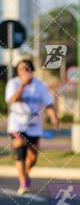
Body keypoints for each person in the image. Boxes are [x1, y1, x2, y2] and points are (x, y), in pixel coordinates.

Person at [6, 57, 58, 194]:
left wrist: (53, 116)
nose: (24, 71)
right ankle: (23, 183)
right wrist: (23, 85)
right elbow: (12, 99)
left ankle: (26, 173)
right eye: (20, 69)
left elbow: (48, 103)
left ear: (32, 70)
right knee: (20, 150)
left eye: (26, 68)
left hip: (34, 123)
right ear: (17, 71)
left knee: (33, 156)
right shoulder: (14, 83)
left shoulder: (39, 85)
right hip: (17, 123)